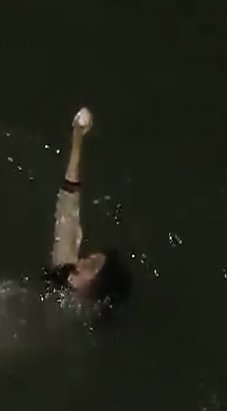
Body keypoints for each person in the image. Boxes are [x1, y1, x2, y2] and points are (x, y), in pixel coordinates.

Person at [44, 107, 131, 319]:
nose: (81, 262)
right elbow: (68, 204)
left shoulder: (79, 319)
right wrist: (77, 139)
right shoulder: (62, 272)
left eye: (91, 265)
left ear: (96, 291)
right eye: (87, 258)